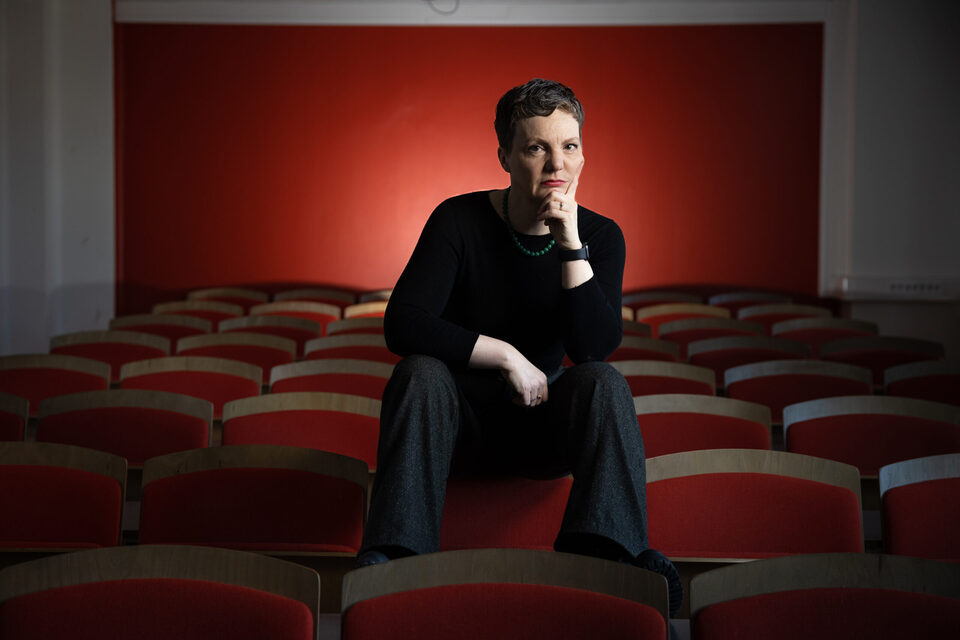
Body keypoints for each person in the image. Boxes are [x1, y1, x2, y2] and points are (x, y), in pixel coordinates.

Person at [357, 78, 682, 616]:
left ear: (583, 155)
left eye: (569, 146)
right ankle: (394, 558)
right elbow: (403, 324)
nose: (557, 163)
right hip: (455, 429)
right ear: (505, 157)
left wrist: (570, 245)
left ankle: (608, 555)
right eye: (536, 147)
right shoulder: (457, 219)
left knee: (604, 382)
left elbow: (594, 348)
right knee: (419, 371)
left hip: (540, 427)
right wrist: (506, 356)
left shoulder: (601, 236)